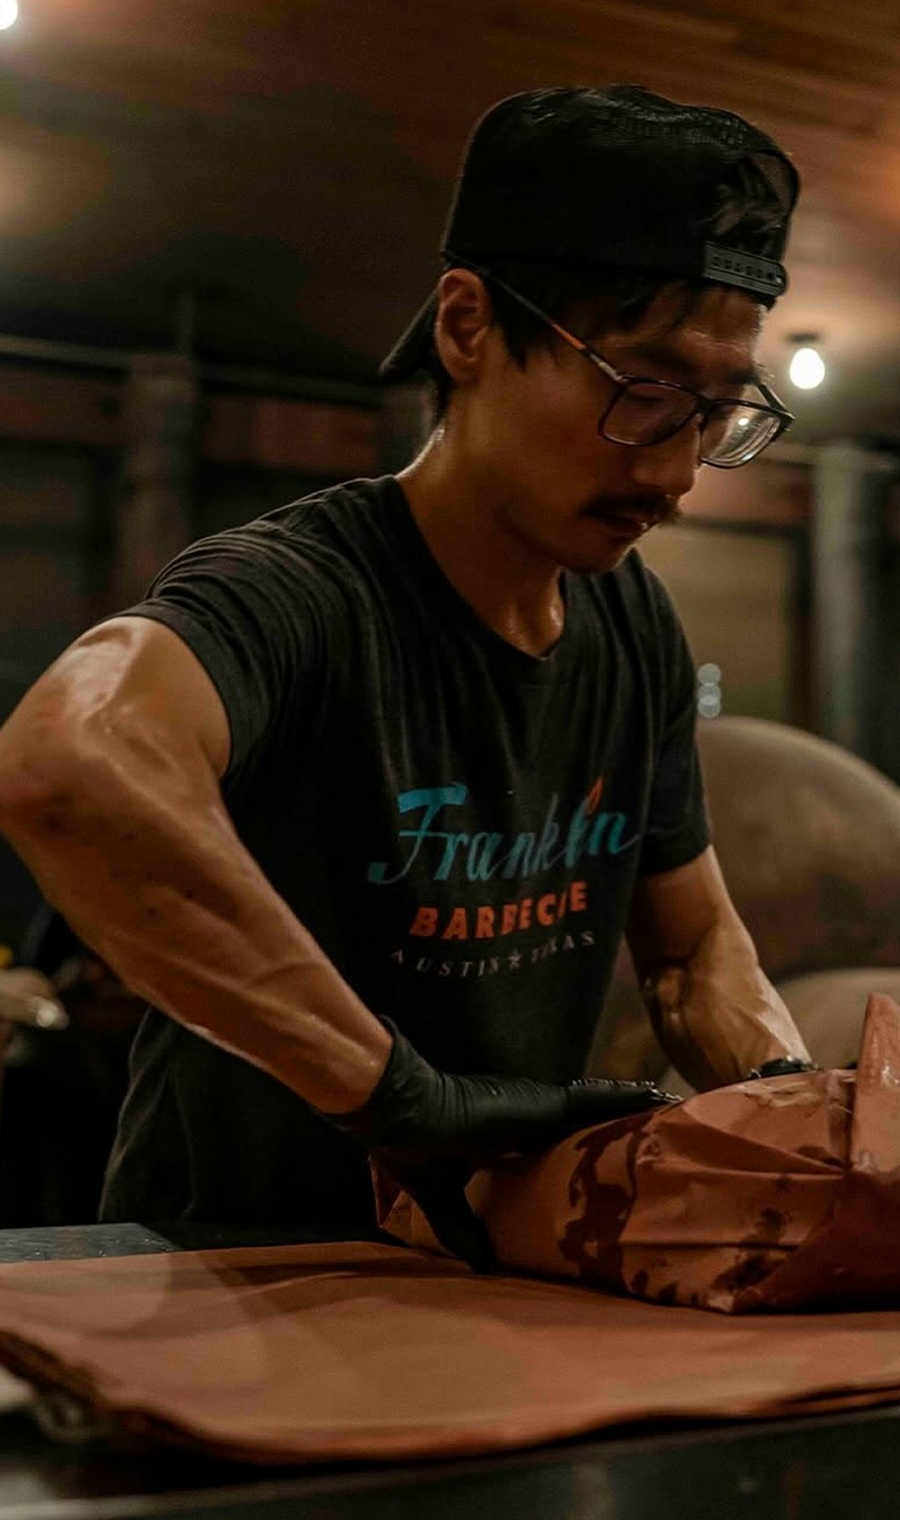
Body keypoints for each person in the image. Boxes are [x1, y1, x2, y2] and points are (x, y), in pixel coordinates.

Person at [0, 86, 815, 1267]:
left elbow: (692, 958)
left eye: (718, 410)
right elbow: (64, 764)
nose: (681, 474)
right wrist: (396, 1098)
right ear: (469, 325)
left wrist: (794, 1122)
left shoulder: (631, 621)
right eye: (643, 392)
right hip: (234, 1272)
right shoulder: (301, 592)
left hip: (483, 1273)